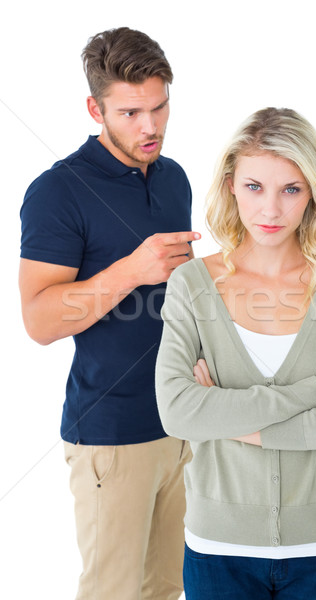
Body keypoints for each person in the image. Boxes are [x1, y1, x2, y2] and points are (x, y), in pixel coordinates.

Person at [155, 107, 316, 599]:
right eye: (255, 187)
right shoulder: (191, 284)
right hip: (217, 545)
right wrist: (314, 393)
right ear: (231, 186)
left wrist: (223, 415)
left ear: (313, 193)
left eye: (291, 189)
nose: (271, 211)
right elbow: (176, 411)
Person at [19, 27, 199, 600]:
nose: (150, 127)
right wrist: (132, 269)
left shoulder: (173, 178)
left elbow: (177, 298)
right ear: (95, 108)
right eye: (129, 113)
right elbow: (39, 321)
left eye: (159, 106)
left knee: (165, 589)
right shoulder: (57, 192)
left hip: (182, 425)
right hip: (111, 438)